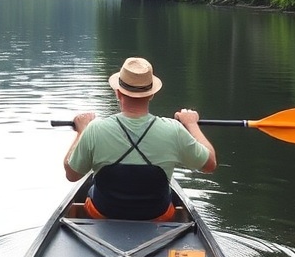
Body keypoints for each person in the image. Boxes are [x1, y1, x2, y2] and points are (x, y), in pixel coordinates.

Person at [63, 57, 217, 220]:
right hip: (158, 215)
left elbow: (71, 174)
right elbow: (209, 164)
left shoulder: (94, 130)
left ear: (117, 92)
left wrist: (81, 131)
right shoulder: (174, 130)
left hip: (102, 213)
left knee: (92, 187)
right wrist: (192, 124)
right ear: (151, 95)